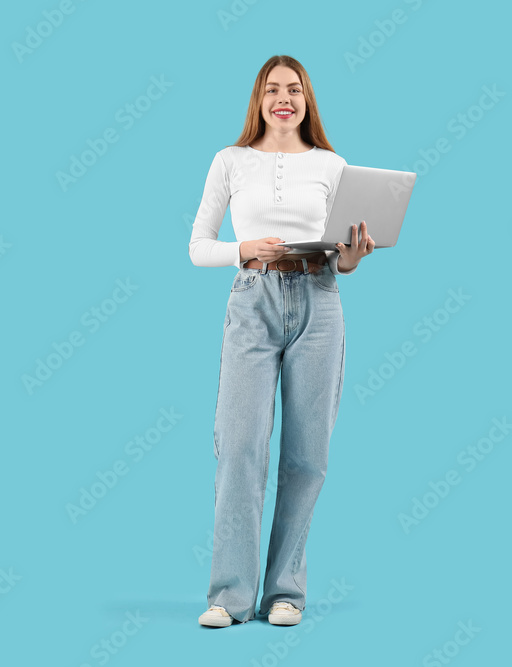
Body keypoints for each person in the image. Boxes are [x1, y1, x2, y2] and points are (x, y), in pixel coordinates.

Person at [188, 55, 375, 628]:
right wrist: (243, 250)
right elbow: (199, 246)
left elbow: (343, 257)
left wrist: (353, 258)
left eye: (294, 89)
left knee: (307, 454)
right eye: (273, 90)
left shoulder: (332, 165)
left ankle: (285, 591)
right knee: (240, 446)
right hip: (253, 300)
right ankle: (230, 595)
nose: (284, 98)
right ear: (259, 99)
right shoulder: (230, 161)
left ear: (307, 100)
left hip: (319, 301)